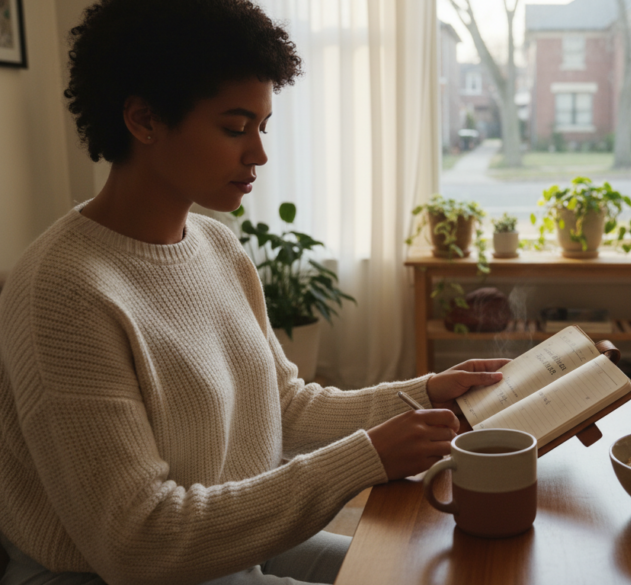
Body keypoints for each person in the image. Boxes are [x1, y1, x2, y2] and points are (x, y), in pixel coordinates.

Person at [0, 1, 506, 583]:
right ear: (143, 120)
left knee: (431, 569)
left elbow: (283, 405)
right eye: (235, 128)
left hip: (225, 546)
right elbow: (136, 542)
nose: (258, 153)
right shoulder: (65, 292)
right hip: (114, 571)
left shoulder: (216, 247)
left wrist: (426, 394)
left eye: (262, 128)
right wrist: (364, 458)